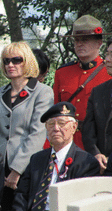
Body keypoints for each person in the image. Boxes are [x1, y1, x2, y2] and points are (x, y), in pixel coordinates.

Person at [0, 41, 54, 210]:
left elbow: (37, 134)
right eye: (6, 61)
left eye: (16, 60)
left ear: (27, 61)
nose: (10, 64)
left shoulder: (42, 92)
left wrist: (16, 170)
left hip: (28, 166)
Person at [12, 102, 100, 211]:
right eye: (51, 124)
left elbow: (84, 203)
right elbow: (21, 196)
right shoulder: (37, 159)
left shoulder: (86, 163)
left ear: (74, 127)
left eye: (61, 123)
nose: (56, 128)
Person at [53, 15, 112, 150]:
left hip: (99, 144)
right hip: (67, 143)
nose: (79, 44)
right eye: (77, 40)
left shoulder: (108, 73)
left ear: (99, 42)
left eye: (85, 40)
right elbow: (56, 111)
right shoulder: (62, 73)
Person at [82, 38, 112, 174]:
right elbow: (88, 128)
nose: (108, 59)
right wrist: (95, 153)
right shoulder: (98, 92)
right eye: (107, 54)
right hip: (101, 168)